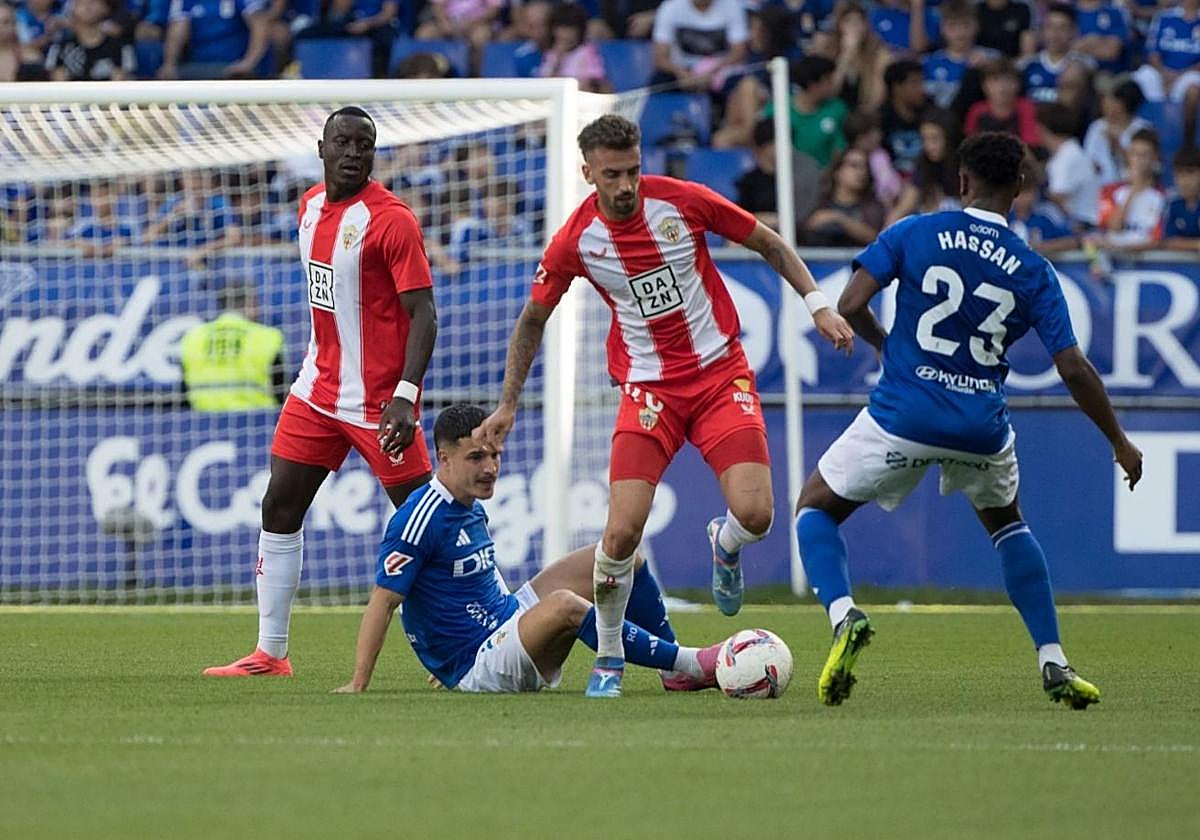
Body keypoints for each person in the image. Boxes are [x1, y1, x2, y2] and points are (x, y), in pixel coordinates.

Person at [474, 114, 854, 699]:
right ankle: (607, 657)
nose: (625, 185)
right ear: (587, 174)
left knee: (756, 516)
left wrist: (818, 304)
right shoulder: (577, 239)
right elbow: (532, 319)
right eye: (611, 175)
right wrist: (507, 405)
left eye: (632, 171)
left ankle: (723, 543)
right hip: (649, 392)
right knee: (621, 533)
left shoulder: (683, 201)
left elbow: (769, 243)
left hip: (720, 375)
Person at [793, 131, 1143, 710]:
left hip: (903, 413)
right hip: (980, 426)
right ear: (1021, 189)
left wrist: (887, 348)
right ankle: (1053, 660)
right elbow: (1074, 367)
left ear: (961, 182)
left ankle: (843, 615)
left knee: (814, 510)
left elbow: (850, 305)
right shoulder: (1033, 269)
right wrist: (1119, 441)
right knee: (1009, 528)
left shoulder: (914, 230)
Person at [204, 106, 439, 677]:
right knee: (279, 505)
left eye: (365, 144)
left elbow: (424, 313)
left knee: (428, 525)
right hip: (316, 389)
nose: (354, 152)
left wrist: (406, 394)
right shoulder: (308, 207)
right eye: (344, 142)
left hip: (380, 402)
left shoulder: (393, 220)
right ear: (321, 147)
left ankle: (462, 646)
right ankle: (271, 652)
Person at [334, 404, 735, 695]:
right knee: (564, 605)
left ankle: (673, 675)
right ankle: (689, 662)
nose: (490, 468)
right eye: (476, 457)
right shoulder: (418, 518)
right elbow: (383, 602)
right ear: (444, 458)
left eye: (494, 455)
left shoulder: (470, 505)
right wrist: (360, 682)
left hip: (505, 621)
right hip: (479, 662)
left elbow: (461, 588)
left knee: (618, 558)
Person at [180, 281, 287, 412]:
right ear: (250, 303)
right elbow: (281, 389)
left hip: (203, 423)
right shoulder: (268, 337)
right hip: (258, 421)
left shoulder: (193, 337)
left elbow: (184, 390)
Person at [762, 55, 847, 169]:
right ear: (813, 84)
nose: (833, 84)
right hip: (785, 177)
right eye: (828, 80)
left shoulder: (837, 109)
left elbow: (840, 150)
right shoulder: (777, 108)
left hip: (823, 179)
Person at [1093, 127, 1165, 252]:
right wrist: (1132, 191)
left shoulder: (1163, 196)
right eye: (1133, 154)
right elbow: (1113, 227)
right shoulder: (1110, 191)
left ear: (1155, 158)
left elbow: (1157, 240)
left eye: (1144, 155)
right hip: (1115, 264)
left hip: (1148, 265)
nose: (1138, 160)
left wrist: (1122, 248)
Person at [160, 0, 271, 80]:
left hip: (233, 66)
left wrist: (248, 63)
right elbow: (177, 30)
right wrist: (169, 64)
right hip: (198, 65)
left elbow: (260, 26)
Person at [803, 148, 884, 247]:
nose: (861, 172)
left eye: (865, 167)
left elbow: (874, 237)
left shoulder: (871, 206)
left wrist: (839, 218)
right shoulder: (818, 202)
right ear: (837, 172)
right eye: (854, 166)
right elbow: (803, 230)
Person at [1038, 101, 1101, 229]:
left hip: (1083, 224)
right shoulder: (1069, 151)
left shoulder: (1066, 157)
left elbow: (1058, 195)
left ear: (1043, 128)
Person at [1019, 4, 1094, 105]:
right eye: (1050, 27)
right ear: (1042, 31)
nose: (1054, 33)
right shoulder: (1026, 65)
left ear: (1073, 31)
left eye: (1062, 28)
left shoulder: (1085, 65)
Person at [43, 0, 133, 80]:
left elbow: (121, 82)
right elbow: (57, 84)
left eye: (93, 1)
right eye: (81, 2)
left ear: (105, 7)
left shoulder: (120, 46)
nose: (87, 6)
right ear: (71, 7)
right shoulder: (59, 47)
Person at [1083, 79, 1151, 186]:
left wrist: (1117, 146)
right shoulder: (1097, 127)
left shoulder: (1142, 129)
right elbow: (1089, 159)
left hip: (1131, 188)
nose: (1108, 104)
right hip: (1100, 190)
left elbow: (1143, 165)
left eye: (1115, 101)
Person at [966, 57, 1038, 148]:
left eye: (1008, 80)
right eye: (995, 80)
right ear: (984, 86)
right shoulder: (976, 110)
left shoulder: (1028, 108)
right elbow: (970, 145)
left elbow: (1031, 144)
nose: (1002, 87)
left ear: (1018, 84)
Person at [880, 58, 926, 178]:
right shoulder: (881, 118)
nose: (921, 89)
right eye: (914, 83)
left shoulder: (930, 112)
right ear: (897, 88)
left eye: (922, 82)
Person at [1162, 146, 1200, 252]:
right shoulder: (1173, 203)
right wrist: (1196, 244)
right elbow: (1168, 241)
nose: (1184, 181)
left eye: (1190, 172)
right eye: (1179, 173)